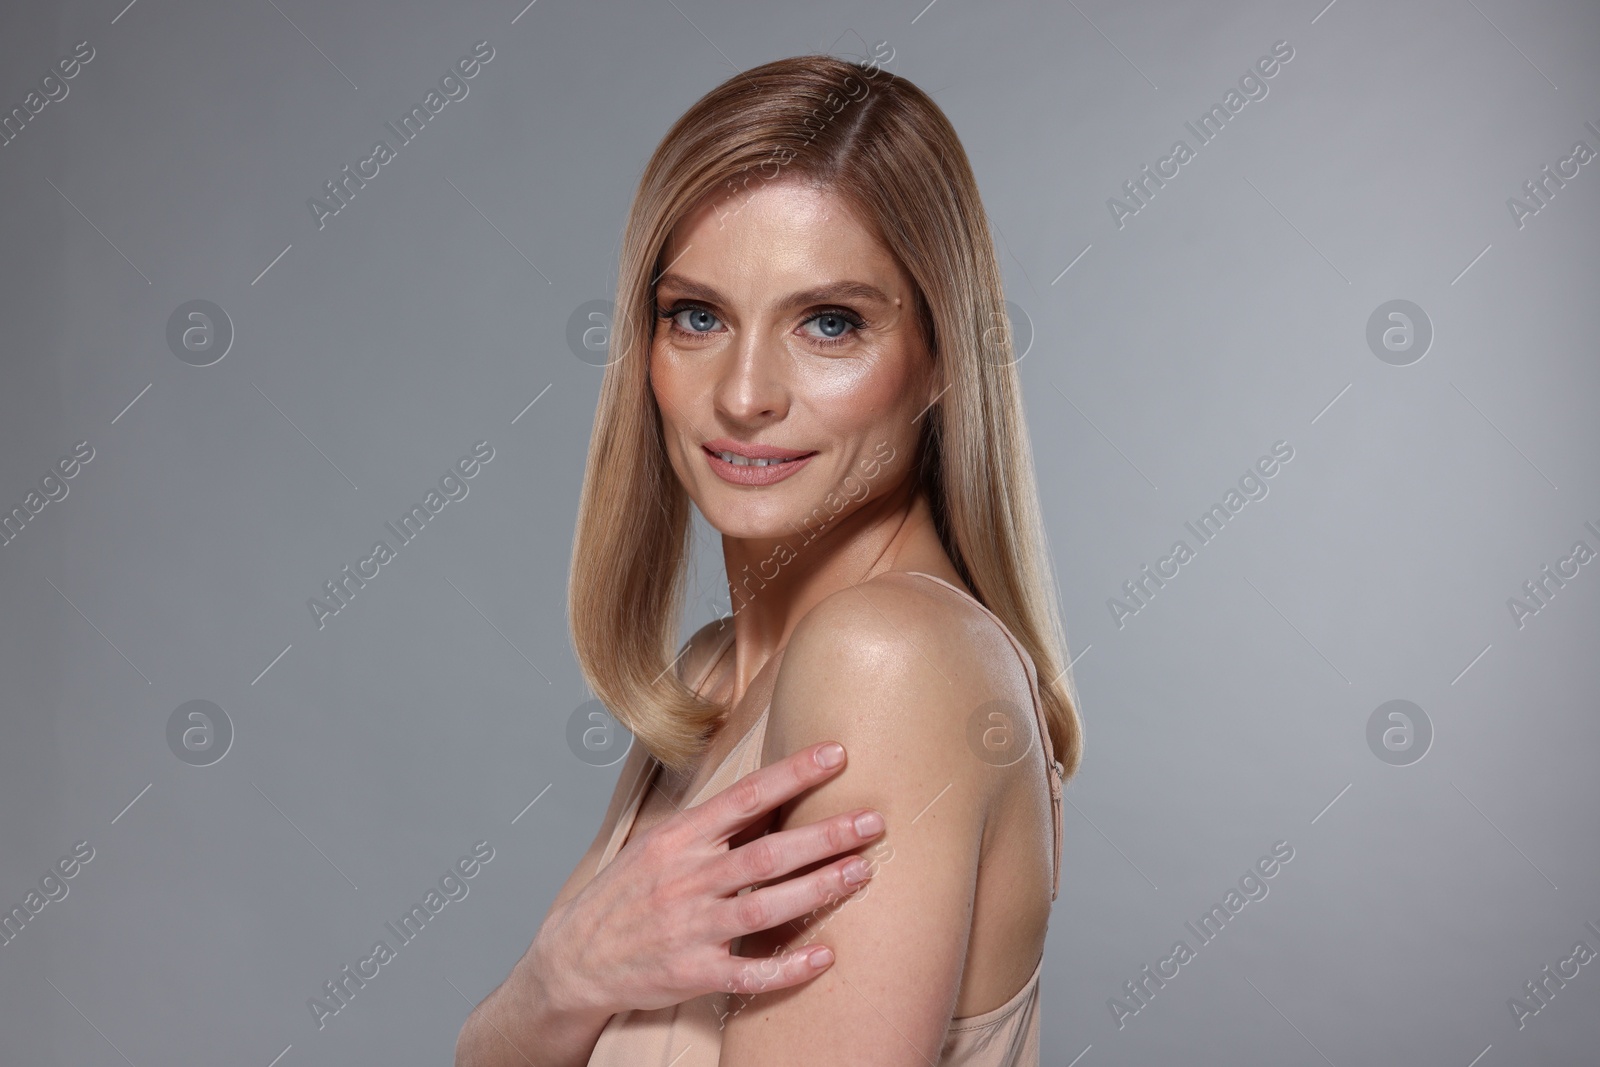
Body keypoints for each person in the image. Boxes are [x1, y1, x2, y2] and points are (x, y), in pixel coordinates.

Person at [455, 51, 1083, 1067]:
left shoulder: (889, 658)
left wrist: (547, 995)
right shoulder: (714, 673)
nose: (744, 392)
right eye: (695, 315)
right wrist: (556, 981)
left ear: (938, 359)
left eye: (829, 323)